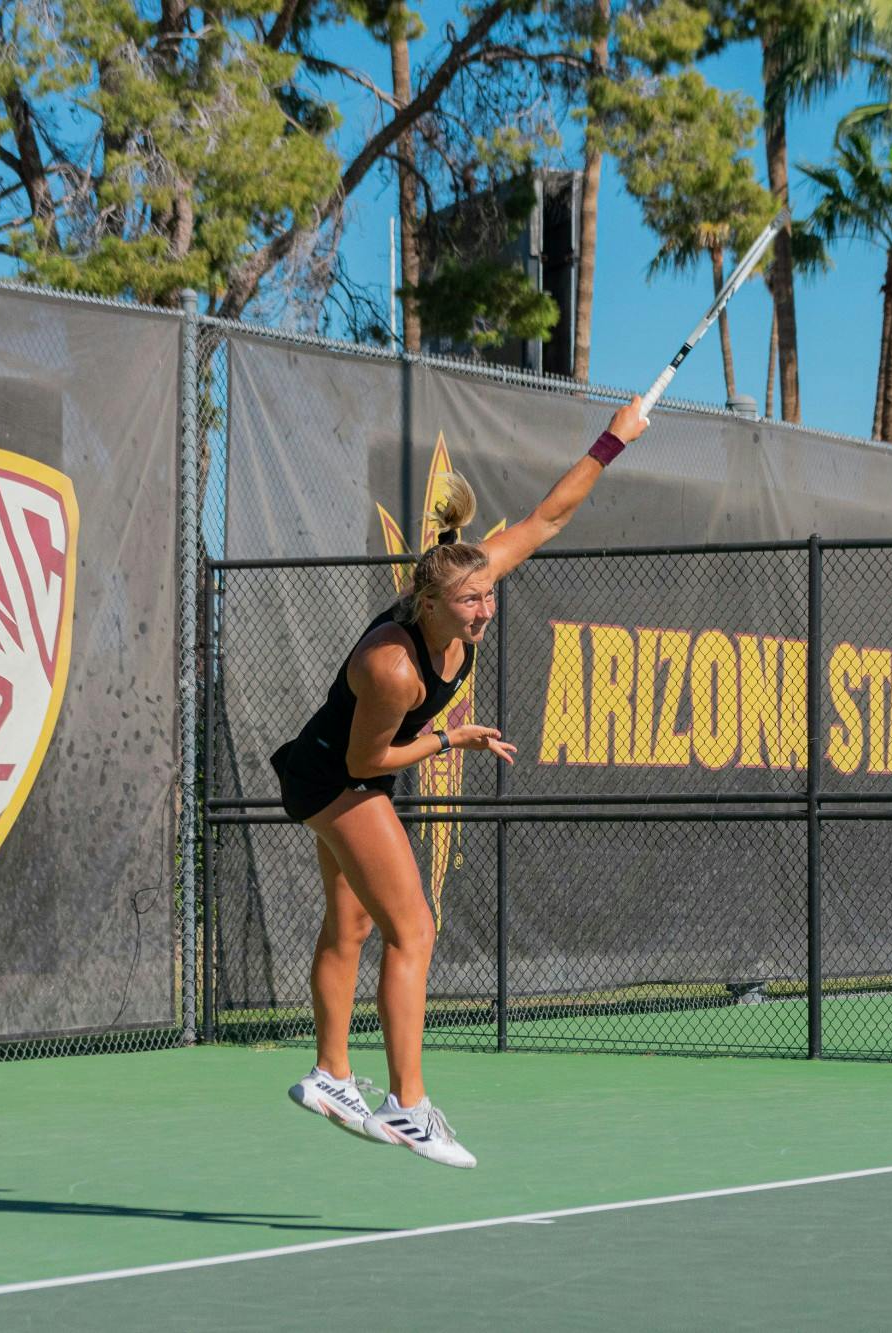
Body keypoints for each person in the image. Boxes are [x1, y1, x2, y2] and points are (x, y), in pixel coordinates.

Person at [269, 397, 649, 1168]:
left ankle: (330, 1074)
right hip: (339, 774)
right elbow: (369, 762)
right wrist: (453, 735)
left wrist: (613, 440)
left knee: (352, 926)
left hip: (334, 769)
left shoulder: (468, 579)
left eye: (488, 595)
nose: (485, 610)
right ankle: (407, 1106)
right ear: (429, 602)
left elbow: (546, 519)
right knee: (416, 928)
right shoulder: (395, 665)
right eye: (470, 602)